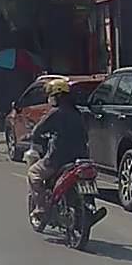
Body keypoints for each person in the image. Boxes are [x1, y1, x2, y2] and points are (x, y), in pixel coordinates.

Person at [27, 77, 89, 217]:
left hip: (58, 160)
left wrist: (32, 136)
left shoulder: (55, 112)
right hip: (80, 158)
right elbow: (85, 135)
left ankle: (41, 208)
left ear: (58, 96)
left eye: (52, 96)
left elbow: (37, 130)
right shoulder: (77, 113)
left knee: (33, 174)